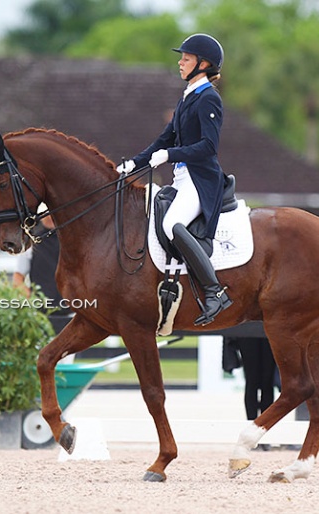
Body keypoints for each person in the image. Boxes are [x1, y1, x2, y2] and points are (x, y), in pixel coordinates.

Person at [117, 33, 232, 326]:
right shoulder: (187, 97)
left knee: (171, 225)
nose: (180, 63)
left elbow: (209, 147)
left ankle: (215, 291)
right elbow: (164, 138)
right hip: (182, 178)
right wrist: (134, 163)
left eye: (186, 58)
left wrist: (170, 155)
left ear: (203, 64)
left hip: (201, 179)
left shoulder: (209, 98)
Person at [13, 203, 69, 315]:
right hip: (39, 313)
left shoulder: (74, 242)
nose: (49, 218)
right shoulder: (31, 244)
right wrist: (29, 298)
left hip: (73, 311)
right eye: (45, 215)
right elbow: (18, 278)